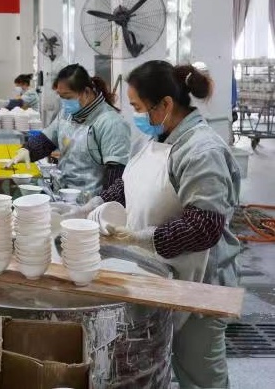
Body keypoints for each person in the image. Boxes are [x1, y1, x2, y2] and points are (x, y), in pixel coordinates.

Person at [70, 60, 241, 389]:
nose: (135, 115)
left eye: (137, 107)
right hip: (163, 272)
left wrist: (139, 238)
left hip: (200, 284)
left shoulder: (201, 151)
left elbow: (203, 227)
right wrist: (90, 207)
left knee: (199, 374)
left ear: (165, 104)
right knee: (163, 358)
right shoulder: (156, 138)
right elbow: (128, 184)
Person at [9, 64, 131, 197]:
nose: (64, 102)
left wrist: (101, 203)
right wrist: (28, 150)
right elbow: (47, 140)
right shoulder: (66, 114)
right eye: (61, 96)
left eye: (67, 97)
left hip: (91, 201)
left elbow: (116, 176)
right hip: (63, 195)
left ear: (86, 92)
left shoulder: (111, 123)